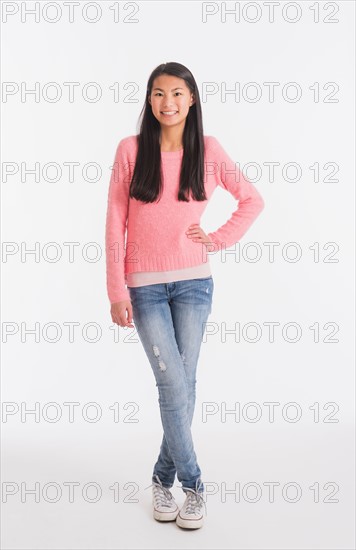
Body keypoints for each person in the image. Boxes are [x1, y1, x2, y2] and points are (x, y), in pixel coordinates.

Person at [105, 61, 265, 529]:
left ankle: (161, 477)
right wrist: (117, 289)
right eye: (158, 94)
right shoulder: (131, 149)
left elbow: (252, 200)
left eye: (177, 94)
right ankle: (193, 484)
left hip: (195, 284)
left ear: (191, 99)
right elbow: (116, 222)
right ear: (149, 100)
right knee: (174, 385)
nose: (167, 103)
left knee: (184, 384)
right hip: (144, 288)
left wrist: (215, 239)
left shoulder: (209, 150)